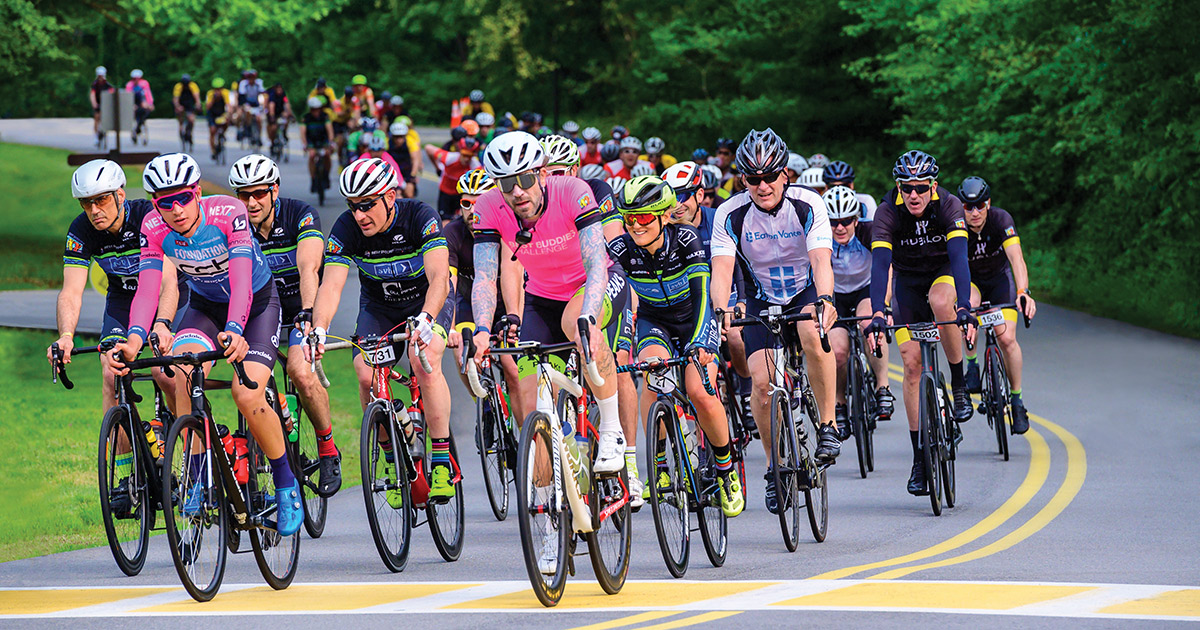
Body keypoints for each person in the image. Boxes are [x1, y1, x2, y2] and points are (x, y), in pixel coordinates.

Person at [109, 153, 304, 537]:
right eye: (165, 202)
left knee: (246, 395)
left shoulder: (229, 213)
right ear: (154, 205)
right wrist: (133, 340)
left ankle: (285, 482)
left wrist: (234, 329)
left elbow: (243, 280)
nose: (176, 209)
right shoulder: (153, 227)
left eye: (183, 197)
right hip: (204, 307)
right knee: (181, 371)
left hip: (257, 305)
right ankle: (199, 475)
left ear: (197, 192)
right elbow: (148, 290)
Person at [468, 134, 633, 524]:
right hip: (541, 296)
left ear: (542, 173)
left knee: (579, 329)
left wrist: (589, 317)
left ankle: (611, 431)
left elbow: (597, 266)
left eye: (525, 179)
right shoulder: (488, 208)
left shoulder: (573, 192)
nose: (518, 192)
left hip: (595, 283)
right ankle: (553, 506)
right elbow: (485, 278)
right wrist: (479, 329)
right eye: (506, 184)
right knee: (531, 397)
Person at [709, 129, 841, 514]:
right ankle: (774, 467)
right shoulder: (730, 213)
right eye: (753, 178)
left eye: (770, 176)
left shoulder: (808, 204)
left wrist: (826, 300)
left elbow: (820, 260)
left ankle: (829, 424)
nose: (763, 185)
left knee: (810, 330)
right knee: (763, 385)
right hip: (759, 297)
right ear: (743, 179)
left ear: (785, 174)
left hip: (803, 290)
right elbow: (721, 271)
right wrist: (721, 311)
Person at [309, 158, 457, 500]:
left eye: (367, 205)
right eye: (353, 206)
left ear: (390, 197)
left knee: (425, 361)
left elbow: (439, 276)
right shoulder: (347, 229)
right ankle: (391, 458)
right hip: (380, 307)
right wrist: (318, 329)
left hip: (428, 301)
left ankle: (440, 461)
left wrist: (428, 318)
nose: (359, 216)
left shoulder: (420, 216)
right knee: (365, 372)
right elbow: (330, 286)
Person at [607, 175, 744, 517]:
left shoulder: (687, 239)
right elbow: (622, 306)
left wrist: (701, 341)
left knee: (700, 392)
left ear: (664, 216)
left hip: (694, 318)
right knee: (654, 374)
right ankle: (660, 467)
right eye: (628, 218)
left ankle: (727, 471)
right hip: (655, 323)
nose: (634, 226)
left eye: (643, 218)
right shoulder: (621, 250)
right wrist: (620, 348)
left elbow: (702, 295)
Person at [226, 155, 341, 495]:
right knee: (249, 384)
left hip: (296, 309)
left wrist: (307, 311)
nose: (250, 202)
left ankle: (327, 447)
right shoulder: (235, 225)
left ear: (274, 190)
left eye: (259, 193)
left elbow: (309, 267)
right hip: (259, 312)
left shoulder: (299, 213)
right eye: (243, 195)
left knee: (301, 373)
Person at [865, 150, 976, 497]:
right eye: (907, 187)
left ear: (933, 185)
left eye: (921, 187)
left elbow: (959, 258)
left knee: (942, 302)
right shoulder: (887, 212)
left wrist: (965, 307)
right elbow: (880, 266)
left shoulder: (949, 206)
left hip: (942, 274)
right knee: (912, 366)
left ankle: (958, 384)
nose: (914, 194)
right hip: (907, 284)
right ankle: (919, 459)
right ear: (899, 186)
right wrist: (878, 312)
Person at [540, 134, 641, 502]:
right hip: (559, 292)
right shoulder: (534, 201)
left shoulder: (595, 190)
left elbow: (612, 245)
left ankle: (627, 459)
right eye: (545, 173)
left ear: (576, 170)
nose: (552, 180)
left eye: (560, 172)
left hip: (602, 284)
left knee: (619, 365)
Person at [53, 159, 180, 416]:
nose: (94, 210)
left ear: (120, 195)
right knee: (111, 374)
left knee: (166, 374)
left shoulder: (147, 217)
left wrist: (163, 323)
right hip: (123, 299)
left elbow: (169, 280)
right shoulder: (81, 229)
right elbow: (71, 292)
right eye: (86, 203)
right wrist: (66, 336)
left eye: (101, 200)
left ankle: (190, 442)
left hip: (169, 294)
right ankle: (124, 454)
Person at [663, 161, 755, 435]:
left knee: (736, 336)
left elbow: (738, 264)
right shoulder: (665, 227)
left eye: (683, 197)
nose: (677, 206)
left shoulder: (717, 219)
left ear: (699, 195)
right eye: (670, 199)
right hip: (690, 301)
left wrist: (739, 303)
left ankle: (747, 393)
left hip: (726, 292)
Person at [958, 176, 1036, 434]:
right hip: (972, 282)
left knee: (1007, 340)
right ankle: (972, 364)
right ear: (961, 207)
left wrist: (1023, 292)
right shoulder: (956, 225)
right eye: (968, 207)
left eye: (980, 205)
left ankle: (1016, 400)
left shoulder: (1001, 220)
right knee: (967, 309)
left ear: (988, 203)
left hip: (999, 281)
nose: (975, 212)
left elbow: (1017, 259)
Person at [443, 170, 523, 403]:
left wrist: (514, 316)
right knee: (463, 355)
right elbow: (448, 283)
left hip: (510, 301)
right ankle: (485, 403)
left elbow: (518, 279)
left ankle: (524, 431)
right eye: (466, 203)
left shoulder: (510, 225)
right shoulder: (453, 233)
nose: (472, 210)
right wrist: (450, 327)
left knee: (513, 368)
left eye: (480, 202)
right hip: (470, 303)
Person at [822, 185, 894, 438]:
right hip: (836, 295)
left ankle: (882, 387)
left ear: (856, 219)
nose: (839, 228)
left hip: (866, 288)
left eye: (845, 221)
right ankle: (839, 403)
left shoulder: (870, 231)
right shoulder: (820, 238)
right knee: (839, 352)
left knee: (871, 327)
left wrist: (883, 307)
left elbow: (886, 268)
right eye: (833, 222)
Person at [425, 136, 483, 222]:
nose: (467, 159)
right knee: (445, 222)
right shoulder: (449, 158)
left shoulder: (475, 165)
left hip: (460, 194)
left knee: (463, 220)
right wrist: (437, 167)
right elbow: (428, 148)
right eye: (464, 155)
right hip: (446, 193)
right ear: (459, 152)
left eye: (469, 156)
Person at [301, 97, 335, 193]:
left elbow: (330, 130)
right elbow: (303, 132)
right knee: (312, 156)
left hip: (323, 140)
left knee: (327, 155)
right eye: (313, 109)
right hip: (311, 141)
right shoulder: (306, 118)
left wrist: (330, 142)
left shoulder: (325, 116)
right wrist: (305, 144)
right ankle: (313, 179)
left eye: (317, 109)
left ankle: (326, 175)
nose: (315, 111)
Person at [387, 122, 418, 198]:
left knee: (409, 193)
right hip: (393, 173)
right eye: (396, 137)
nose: (398, 140)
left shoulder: (410, 142)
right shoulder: (387, 142)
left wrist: (413, 175)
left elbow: (415, 160)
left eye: (401, 137)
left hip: (407, 172)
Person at [204, 78, 232, 160]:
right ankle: (213, 150)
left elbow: (228, 105)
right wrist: (213, 99)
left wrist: (229, 113)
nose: (218, 91)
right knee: (212, 130)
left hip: (221, 113)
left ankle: (223, 133)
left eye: (219, 89)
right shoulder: (210, 94)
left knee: (227, 120)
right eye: (216, 89)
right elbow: (207, 107)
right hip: (212, 114)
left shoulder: (225, 93)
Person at [237, 70, 266, 147]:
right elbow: (242, 96)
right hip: (247, 103)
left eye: (252, 78)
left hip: (256, 104)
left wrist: (263, 105)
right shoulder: (243, 84)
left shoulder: (259, 83)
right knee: (246, 113)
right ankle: (247, 127)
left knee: (259, 119)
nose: (251, 80)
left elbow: (263, 94)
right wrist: (244, 105)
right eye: (249, 78)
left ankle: (259, 136)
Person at [171, 73, 201, 146]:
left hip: (189, 103)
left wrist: (198, 104)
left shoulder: (193, 85)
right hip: (181, 103)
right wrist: (178, 106)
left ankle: (189, 132)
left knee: (191, 120)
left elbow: (196, 96)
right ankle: (181, 132)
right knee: (181, 121)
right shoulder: (178, 86)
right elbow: (176, 98)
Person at [125, 69, 154, 144]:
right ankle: (135, 130)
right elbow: (128, 97)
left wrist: (150, 103)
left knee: (144, 114)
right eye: (135, 79)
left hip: (142, 103)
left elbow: (148, 94)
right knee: (135, 115)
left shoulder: (144, 84)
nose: (136, 80)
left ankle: (140, 127)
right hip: (134, 103)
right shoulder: (129, 85)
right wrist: (131, 105)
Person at [90, 67, 115, 144]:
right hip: (98, 103)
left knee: (106, 117)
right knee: (97, 118)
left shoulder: (107, 85)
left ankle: (104, 130)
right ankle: (96, 136)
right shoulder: (95, 84)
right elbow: (92, 94)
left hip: (106, 103)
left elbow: (112, 93)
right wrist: (94, 103)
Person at [265, 83, 293, 148]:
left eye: (280, 88)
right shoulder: (272, 95)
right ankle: (272, 142)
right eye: (278, 88)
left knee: (286, 121)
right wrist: (272, 115)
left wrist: (289, 113)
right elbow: (272, 105)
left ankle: (284, 133)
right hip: (273, 113)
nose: (279, 89)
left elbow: (286, 103)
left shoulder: (283, 95)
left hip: (281, 112)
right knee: (273, 128)